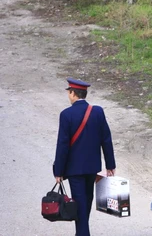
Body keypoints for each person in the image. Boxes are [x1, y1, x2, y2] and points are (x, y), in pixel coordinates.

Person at [53, 77, 116, 236]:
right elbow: (106, 139)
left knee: (81, 206)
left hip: (75, 171)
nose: (69, 95)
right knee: (85, 203)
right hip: (92, 168)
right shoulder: (97, 112)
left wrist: (58, 171)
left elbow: (62, 145)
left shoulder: (66, 115)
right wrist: (110, 165)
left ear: (73, 93)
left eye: (69, 92)